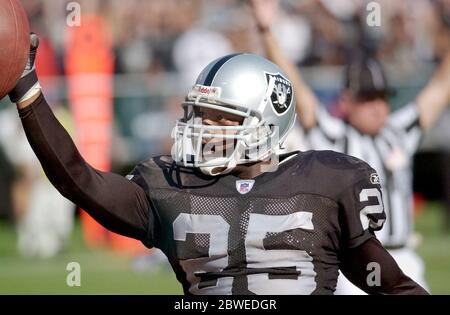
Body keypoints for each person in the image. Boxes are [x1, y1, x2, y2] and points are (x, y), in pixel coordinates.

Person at [6, 33, 428, 295]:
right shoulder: (168, 188)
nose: (205, 130)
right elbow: (77, 177)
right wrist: (27, 86)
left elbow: (390, 285)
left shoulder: (327, 181)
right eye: (200, 117)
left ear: (267, 123)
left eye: (222, 120)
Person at [250, 0, 450, 294]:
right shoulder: (332, 136)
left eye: (382, 98)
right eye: (367, 99)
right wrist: (266, 30)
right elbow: (296, 88)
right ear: (346, 102)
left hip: (404, 256)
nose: (377, 107)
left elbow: (440, 88)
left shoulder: (399, 132)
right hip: (355, 263)